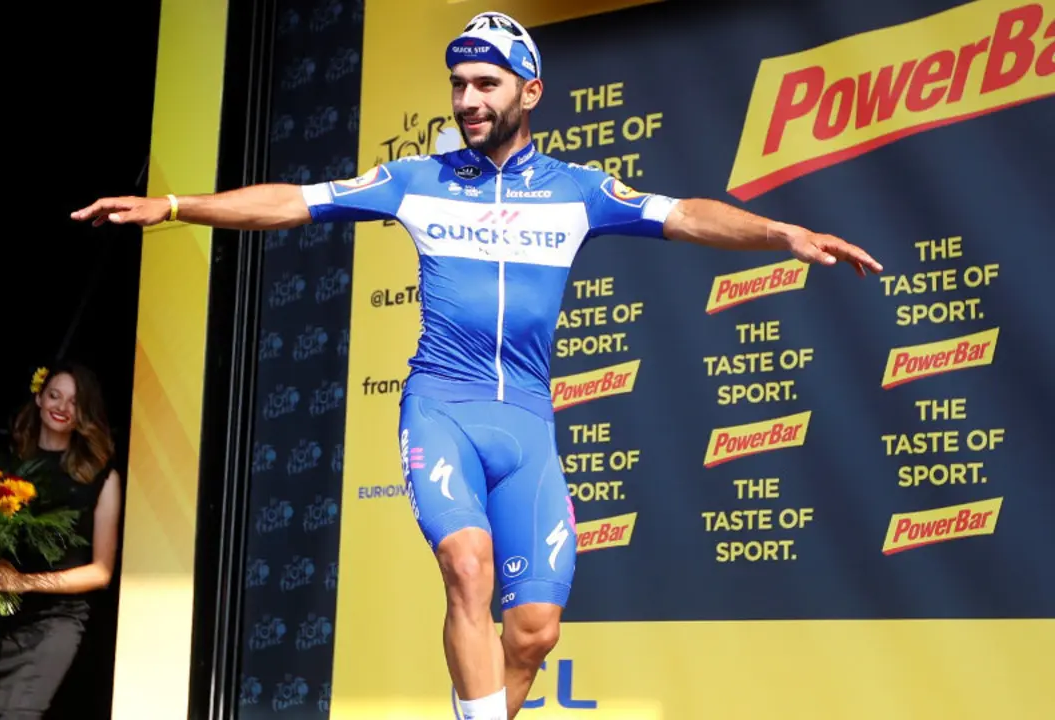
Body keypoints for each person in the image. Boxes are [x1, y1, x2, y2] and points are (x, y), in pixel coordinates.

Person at [71, 11, 882, 719]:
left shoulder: (578, 189)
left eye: (486, 83)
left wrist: (781, 234)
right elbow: (294, 200)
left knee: (533, 632)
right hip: (443, 407)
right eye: (458, 83)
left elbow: (688, 216)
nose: (467, 100)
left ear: (529, 92)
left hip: (526, 423)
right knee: (467, 564)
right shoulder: (414, 180)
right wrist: (176, 207)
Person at [0, 363, 122, 719]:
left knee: (19, 713)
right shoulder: (4, 468)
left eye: (74, 401)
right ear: (39, 399)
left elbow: (101, 573)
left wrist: (25, 582)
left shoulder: (101, 477)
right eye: (55, 395)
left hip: (58, 620)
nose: (62, 407)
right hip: (0, 618)